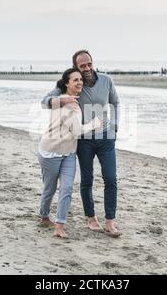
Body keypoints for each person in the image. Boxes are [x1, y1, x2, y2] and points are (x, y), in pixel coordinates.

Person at [41, 50, 121, 237]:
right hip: (83, 141)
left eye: (89, 64)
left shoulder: (106, 80)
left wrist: (115, 127)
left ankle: (110, 221)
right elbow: (45, 102)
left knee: (110, 178)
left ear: (93, 63)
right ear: (76, 67)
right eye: (82, 66)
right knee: (87, 179)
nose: (86, 69)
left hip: (106, 138)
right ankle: (91, 218)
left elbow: (115, 102)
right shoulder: (75, 83)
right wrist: (62, 99)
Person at [38, 68, 102, 238]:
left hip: (69, 154)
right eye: (75, 80)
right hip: (50, 151)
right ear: (67, 83)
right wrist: (97, 122)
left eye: (81, 79)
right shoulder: (61, 101)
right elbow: (77, 131)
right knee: (49, 189)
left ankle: (59, 226)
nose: (80, 82)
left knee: (66, 188)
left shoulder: (74, 101)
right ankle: (44, 216)